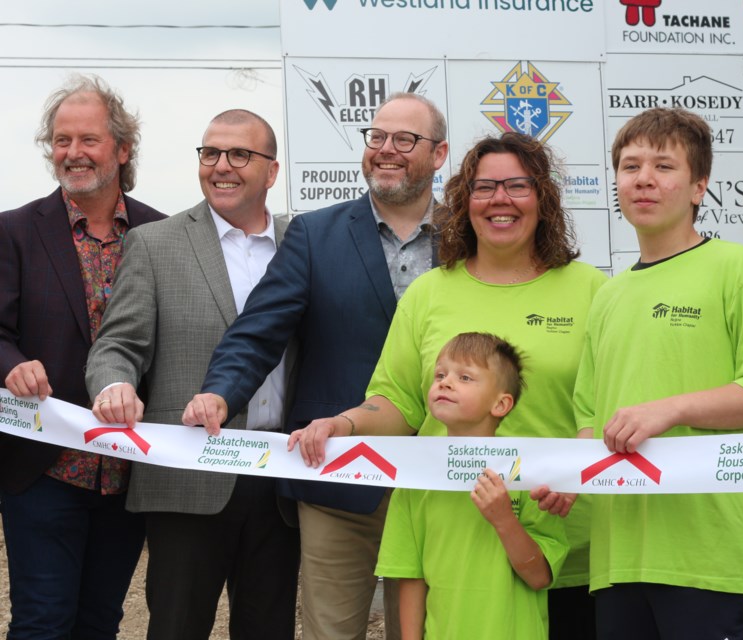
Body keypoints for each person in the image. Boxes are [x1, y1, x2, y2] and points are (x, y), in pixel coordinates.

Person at [289, 131, 609, 639]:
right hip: (456, 554)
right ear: (464, 201)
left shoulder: (595, 290)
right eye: (484, 188)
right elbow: (398, 401)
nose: (499, 199)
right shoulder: (428, 293)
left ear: (543, 198)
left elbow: (614, 404)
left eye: (517, 186)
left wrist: (582, 462)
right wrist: (343, 423)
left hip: (565, 548)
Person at [182, 92, 449, 640]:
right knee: (331, 632)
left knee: (429, 632)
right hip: (337, 476)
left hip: (442, 477)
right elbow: (257, 334)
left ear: (439, 154)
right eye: (376, 137)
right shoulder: (315, 233)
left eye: (405, 139)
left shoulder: (470, 236)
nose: (386, 150)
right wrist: (221, 394)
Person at [571, 108, 743, 639]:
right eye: (630, 167)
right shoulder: (608, 296)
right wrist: (574, 474)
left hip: (715, 558)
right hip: (620, 560)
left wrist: (670, 410)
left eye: (664, 166)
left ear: (700, 186)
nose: (644, 179)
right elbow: (588, 416)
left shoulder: (739, 270)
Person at [85, 109, 299, 640]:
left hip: (284, 477)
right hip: (187, 478)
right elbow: (118, 344)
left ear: (271, 171)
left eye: (239, 155)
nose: (220, 166)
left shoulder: (304, 243)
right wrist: (114, 385)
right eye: (210, 153)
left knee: (269, 629)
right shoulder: (155, 243)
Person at [0, 74, 164, 640]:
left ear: (122, 149)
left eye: (88, 140)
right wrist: (10, 365)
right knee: (43, 622)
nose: (73, 153)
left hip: (127, 474)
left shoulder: (161, 233)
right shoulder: (15, 232)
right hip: (43, 469)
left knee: (100, 622)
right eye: (62, 140)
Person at [375, 332, 568, 639]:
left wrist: (504, 520)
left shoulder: (530, 475)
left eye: (465, 377)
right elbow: (410, 577)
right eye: (440, 374)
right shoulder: (414, 478)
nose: (445, 382)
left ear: (501, 404)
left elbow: (539, 576)